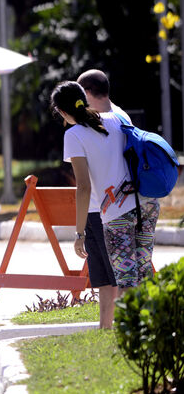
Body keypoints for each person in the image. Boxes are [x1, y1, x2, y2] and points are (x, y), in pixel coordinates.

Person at [50, 81, 159, 328]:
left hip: (115, 212)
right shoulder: (116, 119)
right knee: (142, 272)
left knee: (125, 279)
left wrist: (79, 233)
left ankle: (131, 333)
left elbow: (84, 187)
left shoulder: (74, 135)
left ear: (63, 111)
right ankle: (140, 328)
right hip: (145, 205)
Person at [75, 69, 132, 329]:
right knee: (104, 277)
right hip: (101, 207)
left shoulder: (111, 120)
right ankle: (105, 327)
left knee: (118, 276)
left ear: (87, 93)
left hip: (109, 209)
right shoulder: (117, 117)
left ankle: (123, 328)